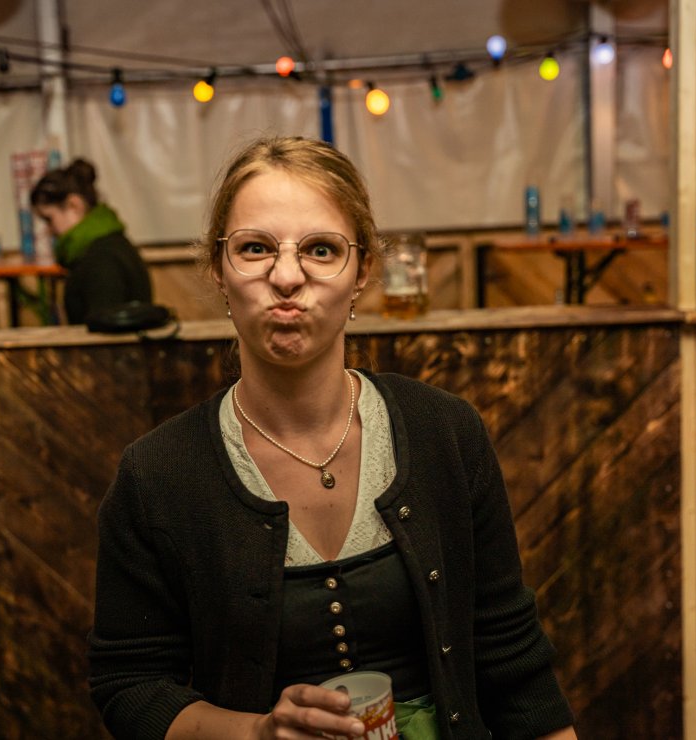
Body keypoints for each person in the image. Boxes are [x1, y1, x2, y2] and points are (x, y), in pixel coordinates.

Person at [88, 136, 577, 740]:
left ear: (362, 271)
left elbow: (513, 662)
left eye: (321, 250)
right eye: (255, 248)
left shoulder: (444, 432)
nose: (286, 277)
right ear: (219, 269)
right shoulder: (157, 475)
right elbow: (131, 683)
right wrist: (257, 734)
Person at [30, 158, 153, 324]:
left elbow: (105, 331)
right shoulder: (107, 244)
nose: (48, 230)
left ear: (74, 205)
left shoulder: (102, 259)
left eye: (49, 219)